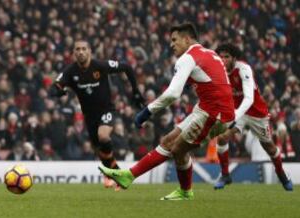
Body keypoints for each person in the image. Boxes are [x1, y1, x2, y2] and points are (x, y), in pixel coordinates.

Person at [99, 22, 235, 200]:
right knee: (168, 140)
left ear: (187, 39)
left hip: (214, 113)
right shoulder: (210, 53)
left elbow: (173, 93)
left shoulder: (188, 58)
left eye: (174, 40)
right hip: (209, 108)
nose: (171, 44)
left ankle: (182, 191)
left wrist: (147, 112)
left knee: (177, 149)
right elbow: (214, 80)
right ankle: (130, 176)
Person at [51, 39, 144, 189]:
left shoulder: (100, 66)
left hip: (106, 109)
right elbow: (55, 86)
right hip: (89, 116)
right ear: (74, 53)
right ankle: (115, 173)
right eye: (77, 49)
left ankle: (112, 173)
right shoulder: (70, 71)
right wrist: (58, 91)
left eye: (83, 49)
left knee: (103, 136)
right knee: (100, 150)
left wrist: (135, 92)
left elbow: (126, 67)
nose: (80, 52)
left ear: (89, 51)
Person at [213, 43, 293, 191]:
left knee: (268, 146)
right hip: (238, 113)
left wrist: (235, 115)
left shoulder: (244, 69)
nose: (222, 59)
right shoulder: (218, 72)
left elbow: (249, 98)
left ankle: (281, 173)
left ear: (234, 58)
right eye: (220, 56)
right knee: (222, 137)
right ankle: (225, 175)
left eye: (226, 57)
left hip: (256, 113)